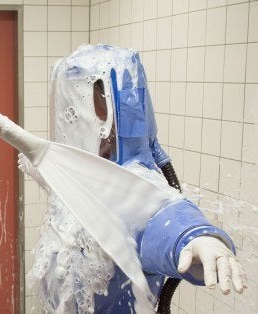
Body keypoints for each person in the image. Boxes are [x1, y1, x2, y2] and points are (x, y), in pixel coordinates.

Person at [24, 45, 247, 313]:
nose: (76, 122)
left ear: (121, 115)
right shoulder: (78, 173)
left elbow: (158, 216)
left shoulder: (128, 182)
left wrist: (195, 238)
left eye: (91, 111)